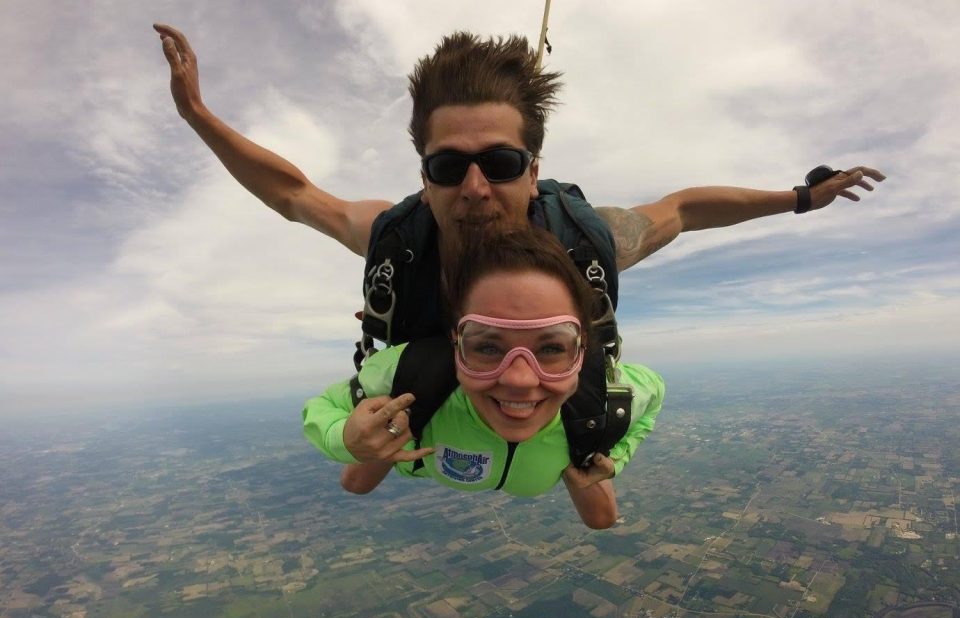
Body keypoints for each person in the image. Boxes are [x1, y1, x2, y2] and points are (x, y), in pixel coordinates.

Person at [153, 23, 885, 466]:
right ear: (425, 176)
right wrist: (197, 115)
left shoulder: (583, 239)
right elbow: (293, 195)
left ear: (534, 169)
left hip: (549, 383)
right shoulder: (398, 241)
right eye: (448, 167)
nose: (474, 189)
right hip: (433, 371)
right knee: (374, 436)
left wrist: (798, 198)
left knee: (591, 433)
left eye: (500, 164)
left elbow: (684, 209)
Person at [303, 224, 665, 529]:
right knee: (356, 482)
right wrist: (349, 440)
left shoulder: (601, 394)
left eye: (552, 348)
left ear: (583, 350)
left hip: (561, 432)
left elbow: (654, 396)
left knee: (602, 520)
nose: (521, 379)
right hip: (420, 419)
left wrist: (613, 455)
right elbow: (325, 406)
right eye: (488, 348)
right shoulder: (412, 372)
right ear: (455, 345)